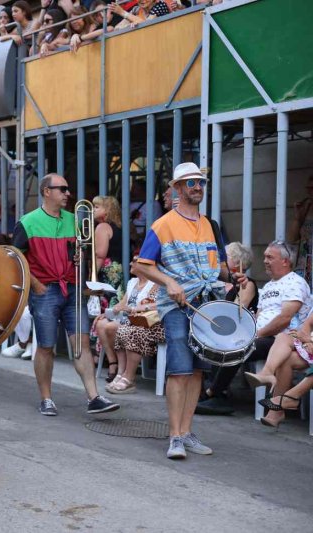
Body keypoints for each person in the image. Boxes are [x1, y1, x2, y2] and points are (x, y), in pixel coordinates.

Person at [134, 162, 230, 460]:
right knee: (179, 369)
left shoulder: (211, 225)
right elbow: (140, 265)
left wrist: (232, 276)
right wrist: (169, 281)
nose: (197, 187)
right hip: (177, 305)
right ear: (177, 188)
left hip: (207, 306)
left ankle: (187, 433)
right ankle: (174, 436)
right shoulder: (163, 225)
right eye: (190, 183)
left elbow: (223, 267)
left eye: (200, 182)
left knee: (199, 371)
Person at [13, 174, 119, 417]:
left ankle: (93, 397)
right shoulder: (27, 222)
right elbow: (15, 260)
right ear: (46, 191)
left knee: (81, 344)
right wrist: (36, 285)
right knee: (46, 347)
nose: (67, 193)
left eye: (68, 188)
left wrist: (81, 263)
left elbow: (87, 254)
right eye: (62, 189)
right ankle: (46, 398)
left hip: (72, 288)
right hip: (45, 290)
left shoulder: (76, 219)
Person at [196, 241, 310, 415]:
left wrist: (255, 334)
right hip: (263, 336)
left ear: (285, 261)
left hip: (282, 340)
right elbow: (258, 317)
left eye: (270, 257)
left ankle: (214, 394)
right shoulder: (271, 285)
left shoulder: (295, 283)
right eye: (264, 256)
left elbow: (284, 319)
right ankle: (216, 393)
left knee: (238, 346)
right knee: (224, 341)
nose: (264, 261)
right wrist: (250, 331)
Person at [104, 259, 163, 394]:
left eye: (136, 261)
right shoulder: (134, 282)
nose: (131, 263)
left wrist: (140, 307)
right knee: (121, 328)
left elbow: (161, 304)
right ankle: (121, 373)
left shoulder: (159, 282)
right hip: (140, 320)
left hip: (156, 323)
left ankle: (129, 378)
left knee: (131, 330)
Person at [288, 174, 313, 287]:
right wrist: (298, 218)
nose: (309, 192)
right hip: (304, 265)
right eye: (308, 189)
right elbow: (292, 239)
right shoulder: (306, 207)